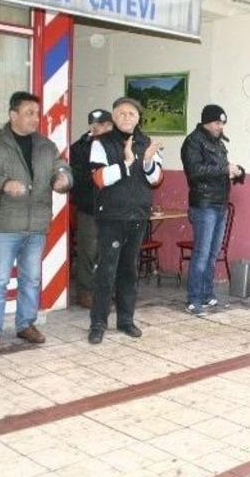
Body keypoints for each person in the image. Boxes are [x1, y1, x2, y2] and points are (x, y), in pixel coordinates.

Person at [0, 91, 73, 355]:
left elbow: (62, 168)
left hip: (36, 225)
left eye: (37, 114)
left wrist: (63, 180)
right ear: (13, 114)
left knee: (32, 279)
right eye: (29, 113)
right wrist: (3, 184)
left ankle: (26, 324)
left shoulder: (45, 145)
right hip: (4, 224)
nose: (35, 119)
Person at [86, 98, 163, 344]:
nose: (126, 117)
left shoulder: (147, 142)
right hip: (111, 215)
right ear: (114, 117)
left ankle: (126, 320)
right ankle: (98, 323)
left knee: (129, 270)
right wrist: (127, 162)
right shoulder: (101, 143)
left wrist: (148, 161)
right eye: (121, 113)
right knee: (105, 271)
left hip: (138, 215)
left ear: (139, 117)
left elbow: (155, 180)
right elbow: (99, 178)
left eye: (131, 113)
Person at [181, 104, 245, 317]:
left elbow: (220, 169)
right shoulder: (193, 142)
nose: (221, 126)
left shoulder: (218, 143)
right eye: (218, 122)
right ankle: (194, 299)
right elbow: (195, 171)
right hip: (204, 204)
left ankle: (207, 294)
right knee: (201, 253)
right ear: (207, 122)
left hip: (220, 203)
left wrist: (235, 172)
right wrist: (224, 169)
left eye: (222, 123)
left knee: (212, 253)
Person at [70, 109, 114, 309]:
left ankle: (105, 290)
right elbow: (78, 178)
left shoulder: (116, 144)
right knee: (88, 251)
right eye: (98, 125)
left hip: (113, 206)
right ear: (91, 126)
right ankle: (85, 292)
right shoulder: (79, 149)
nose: (102, 128)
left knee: (108, 251)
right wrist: (99, 175)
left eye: (106, 125)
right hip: (89, 206)